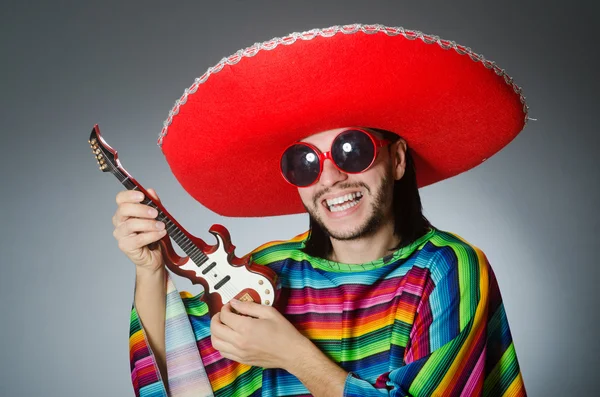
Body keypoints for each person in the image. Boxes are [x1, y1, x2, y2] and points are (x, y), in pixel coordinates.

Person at [113, 24, 529, 396]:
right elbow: (184, 374)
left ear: (397, 159)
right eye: (305, 162)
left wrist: (293, 355)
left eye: (352, 150)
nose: (329, 179)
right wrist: (150, 270)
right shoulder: (266, 273)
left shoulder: (447, 269)